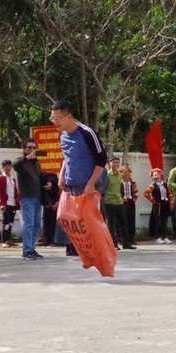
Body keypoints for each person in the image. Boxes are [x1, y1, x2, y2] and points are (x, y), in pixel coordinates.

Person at [50, 100, 108, 256]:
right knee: (69, 219)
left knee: (89, 221)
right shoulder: (62, 135)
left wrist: (91, 184)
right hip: (71, 184)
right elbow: (66, 157)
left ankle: (101, 250)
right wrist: (62, 175)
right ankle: (76, 247)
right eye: (52, 118)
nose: (54, 122)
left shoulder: (87, 133)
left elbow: (102, 160)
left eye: (57, 118)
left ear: (68, 117)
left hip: (89, 185)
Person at [13, 139, 44, 259]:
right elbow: (15, 165)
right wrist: (27, 158)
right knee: (29, 224)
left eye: (34, 148)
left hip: (37, 197)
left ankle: (32, 248)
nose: (32, 150)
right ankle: (26, 250)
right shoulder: (21, 163)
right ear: (25, 149)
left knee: (36, 224)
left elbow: (40, 178)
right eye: (29, 147)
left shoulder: (36, 163)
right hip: (27, 198)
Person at [103, 157, 130, 250]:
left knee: (124, 223)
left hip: (119, 201)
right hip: (109, 201)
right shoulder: (106, 175)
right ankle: (113, 244)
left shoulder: (120, 175)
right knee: (111, 224)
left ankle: (126, 243)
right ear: (109, 164)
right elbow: (103, 188)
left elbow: (127, 181)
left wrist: (126, 171)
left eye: (117, 163)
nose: (116, 164)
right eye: (113, 162)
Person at [0, 160, 19, 248]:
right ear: (3, 167)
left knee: (11, 222)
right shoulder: (1, 178)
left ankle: (9, 239)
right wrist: (2, 203)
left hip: (13, 203)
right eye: (6, 166)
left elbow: (15, 190)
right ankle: (4, 240)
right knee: (6, 222)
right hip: (6, 203)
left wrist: (17, 201)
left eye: (9, 166)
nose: (8, 168)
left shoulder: (12, 178)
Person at [40, 171, 59, 246]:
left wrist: (56, 203)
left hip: (55, 204)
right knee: (46, 222)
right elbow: (43, 193)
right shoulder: (42, 181)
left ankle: (53, 239)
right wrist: (46, 203)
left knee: (53, 223)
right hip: (47, 205)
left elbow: (58, 193)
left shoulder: (55, 181)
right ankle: (47, 240)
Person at [121, 167, 138, 249]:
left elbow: (136, 192)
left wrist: (134, 199)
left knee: (131, 220)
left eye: (127, 172)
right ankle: (123, 239)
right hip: (123, 202)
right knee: (124, 221)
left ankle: (132, 238)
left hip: (131, 202)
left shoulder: (133, 183)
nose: (125, 174)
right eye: (124, 172)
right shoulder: (120, 182)